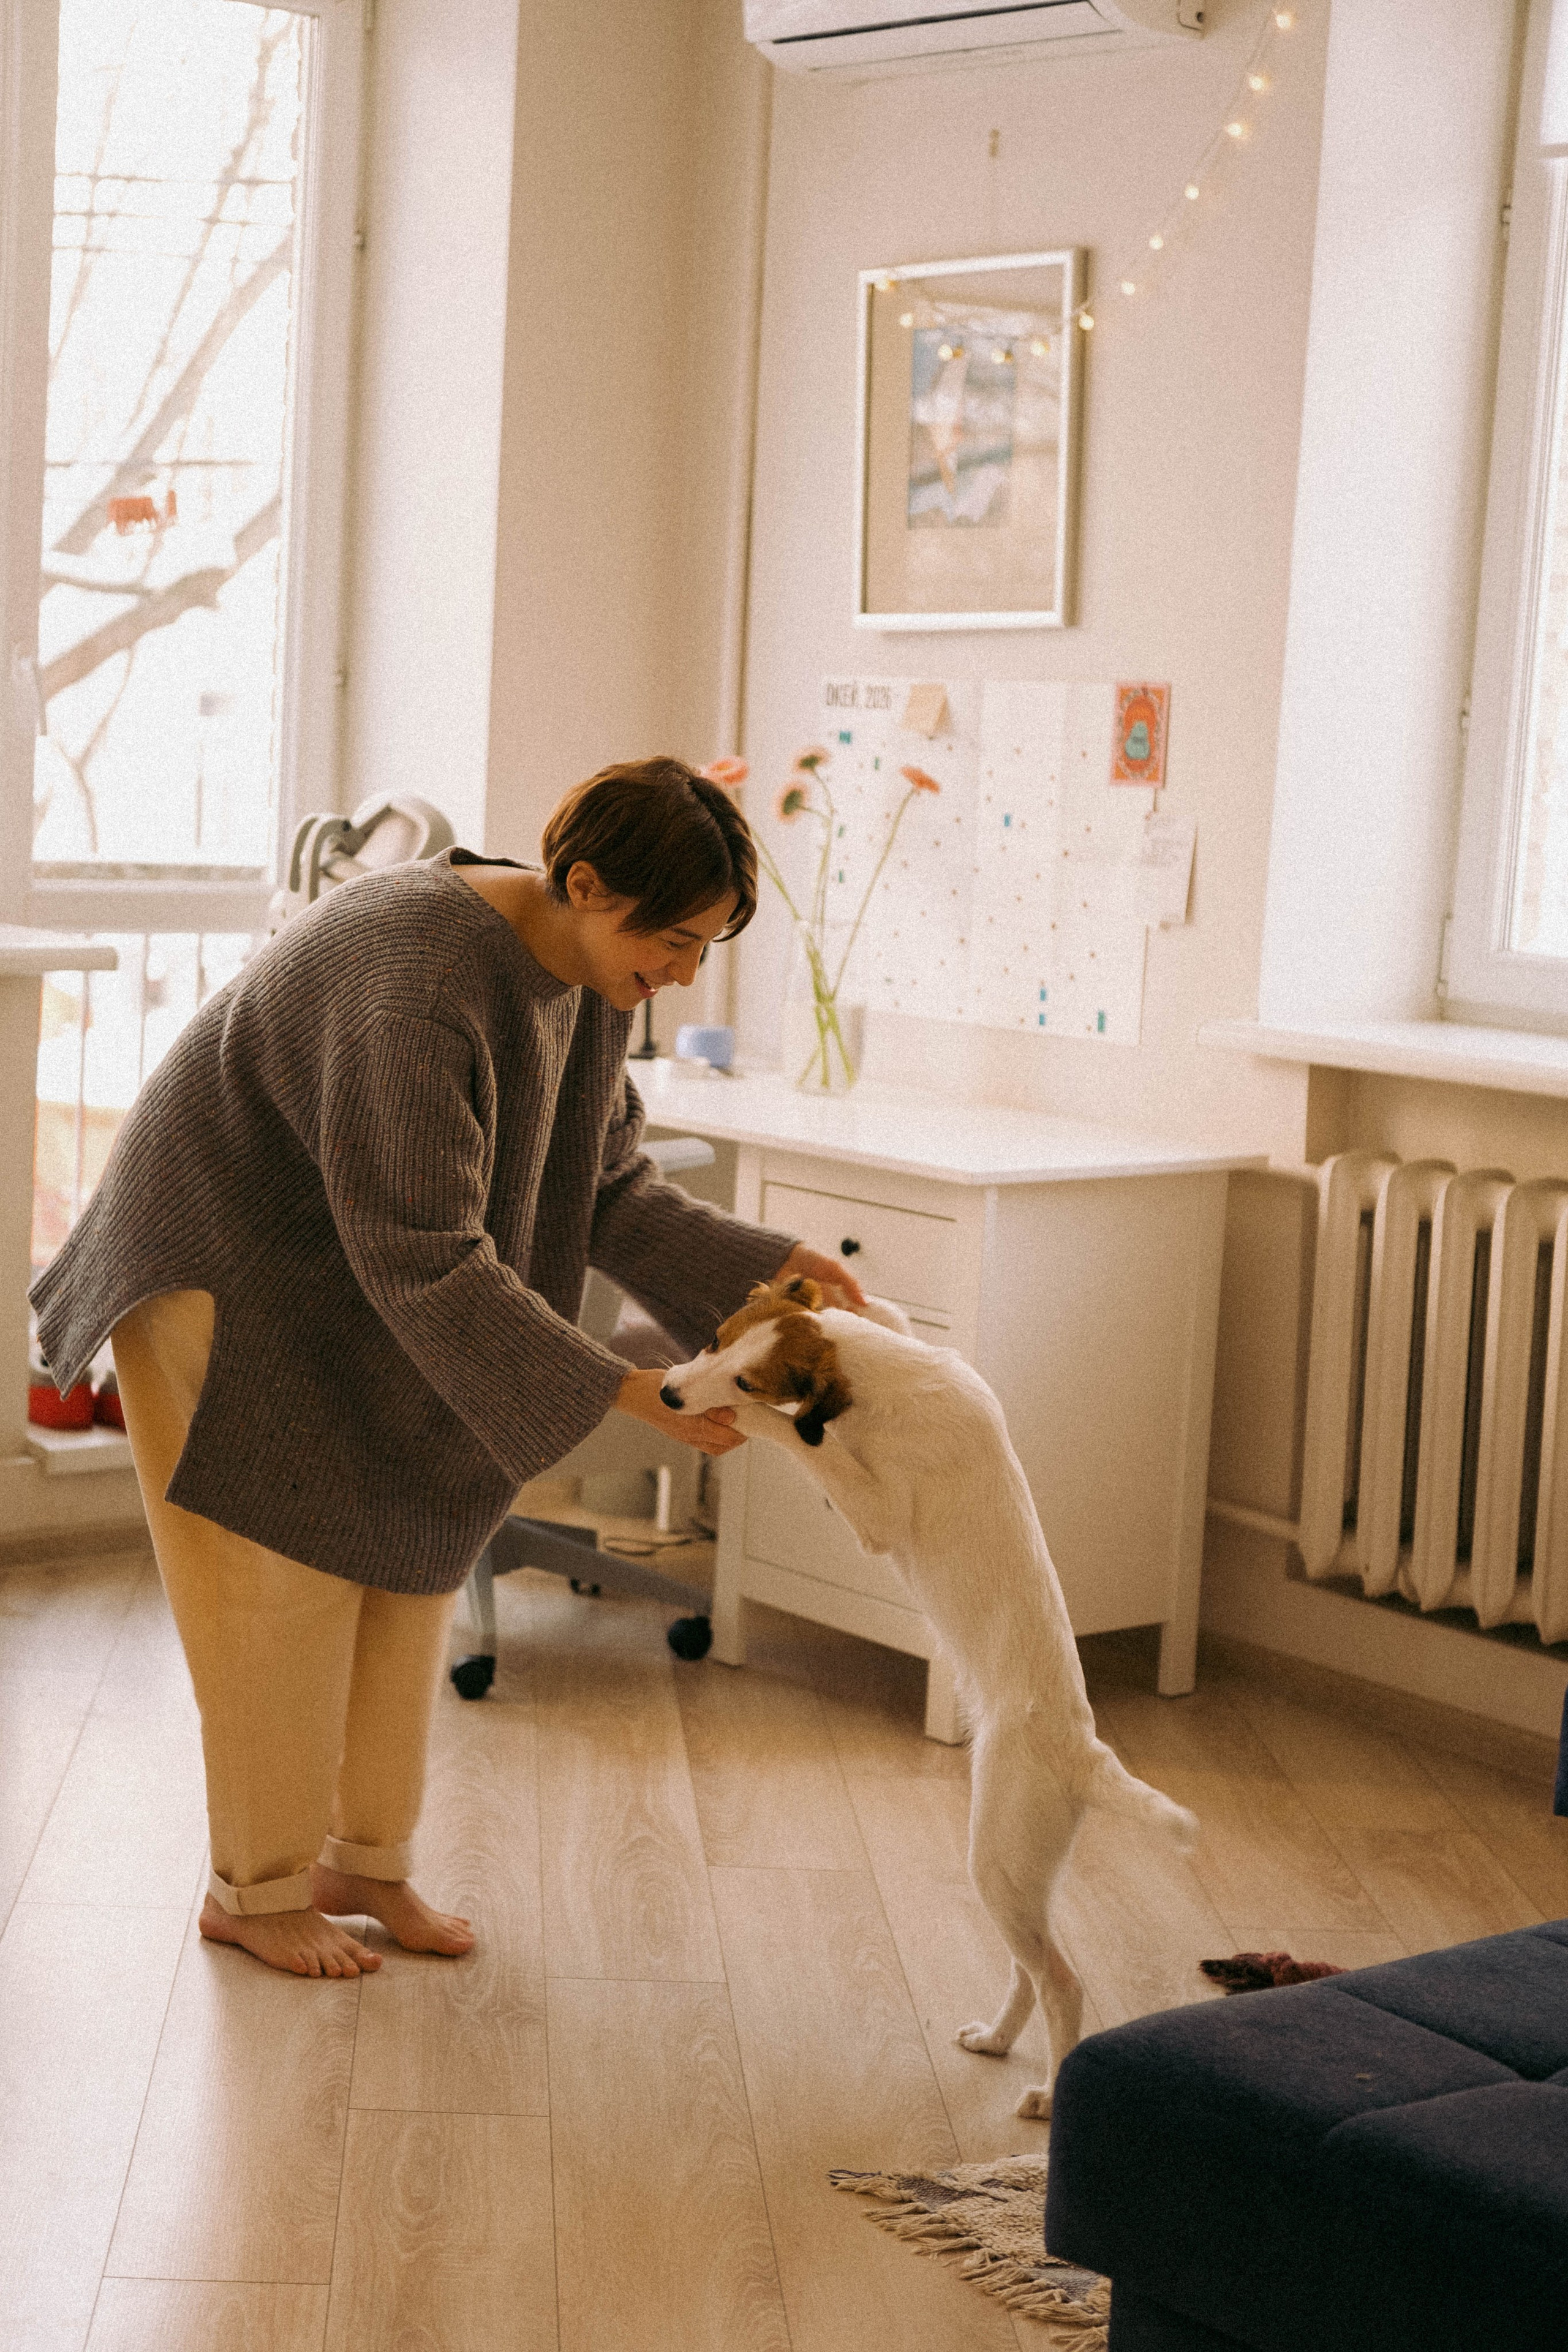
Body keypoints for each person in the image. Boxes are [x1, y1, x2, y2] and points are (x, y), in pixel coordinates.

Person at [30, 756, 864, 1979]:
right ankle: (251, 1890)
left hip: (358, 1261)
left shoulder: (592, 970)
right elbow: (422, 1253)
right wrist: (618, 1389)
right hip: (225, 1253)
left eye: (704, 947)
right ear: (584, 882)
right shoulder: (412, 976)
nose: (684, 972)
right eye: (675, 940)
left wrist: (763, 1270)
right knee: (281, 1580)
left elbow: (604, 1186)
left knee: (413, 1550)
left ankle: (363, 1863)